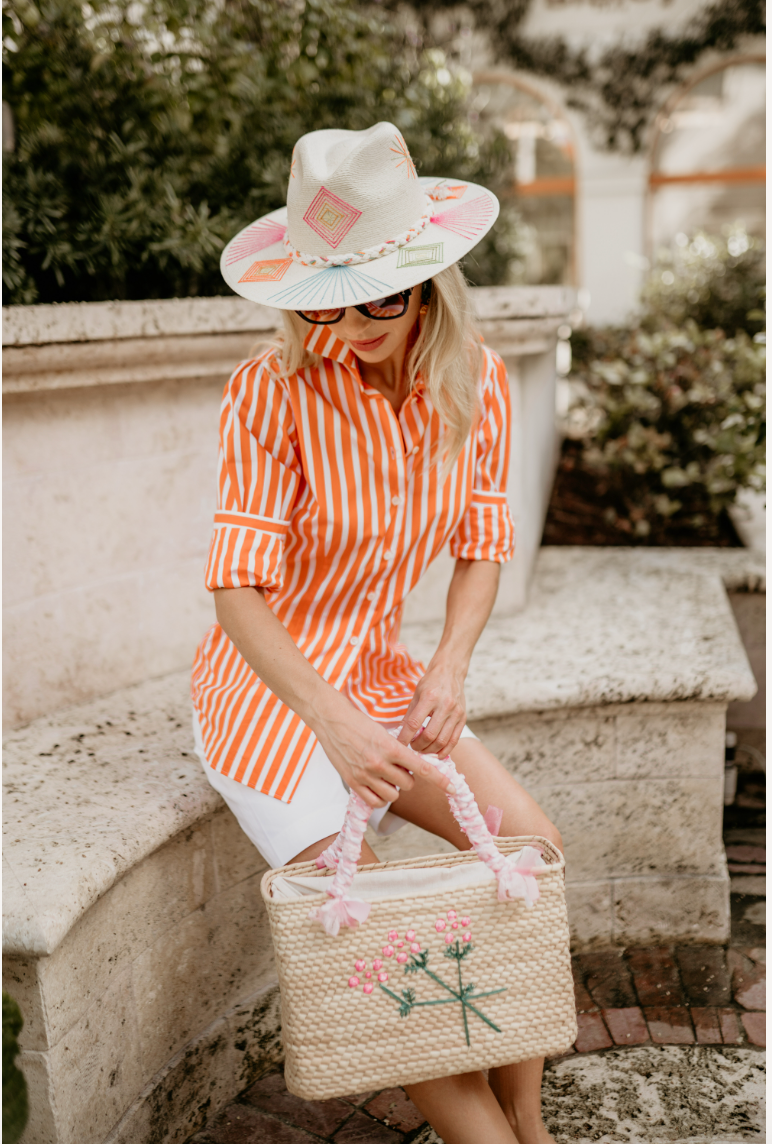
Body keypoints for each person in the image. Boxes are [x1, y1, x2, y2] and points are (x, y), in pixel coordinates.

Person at [192, 121, 562, 1144]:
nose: (349, 325)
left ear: (430, 283)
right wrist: (336, 727)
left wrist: (448, 662)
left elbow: (486, 539)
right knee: (391, 954)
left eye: (380, 297)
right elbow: (235, 591)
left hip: (386, 668)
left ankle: (527, 1116)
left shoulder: (477, 379)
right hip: (268, 696)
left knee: (531, 848)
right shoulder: (270, 392)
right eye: (324, 299)